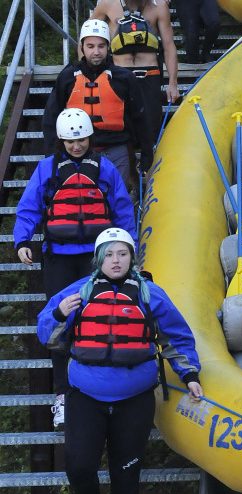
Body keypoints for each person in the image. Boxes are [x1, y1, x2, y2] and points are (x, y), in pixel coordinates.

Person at [36, 227, 204, 494]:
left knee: (125, 473)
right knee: (79, 465)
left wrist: (190, 374)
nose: (116, 260)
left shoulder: (150, 294)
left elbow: (177, 338)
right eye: (109, 254)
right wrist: (59, 314)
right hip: (86, 395)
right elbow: (49, 336)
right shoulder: (78, 292)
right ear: (99, 259)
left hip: (134, 400)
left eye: (122, 253)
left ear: (132, 258)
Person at [15, 108, 137, 429]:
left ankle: (100, 390)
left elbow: (123, 209)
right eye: (70, 140)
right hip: (58, 257)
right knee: (59, 323)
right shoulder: (48, 169)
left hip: (95, 260)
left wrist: (129, 247)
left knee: (97, 319)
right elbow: (29, 207)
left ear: (90, 138)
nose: (76, 146)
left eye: (81, 139)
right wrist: (22, 240)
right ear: (61, 141)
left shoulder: (105, 169)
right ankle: (62, 396)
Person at [43, 19, 153, 189]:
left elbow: (140, 117)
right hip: (77, 151)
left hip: (117, 150)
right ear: (82, 47)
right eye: (91, 46)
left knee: (116, 201)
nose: (96, 52)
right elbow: (51, 117)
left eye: (101, 46)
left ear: (108, 47)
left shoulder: (124, 78)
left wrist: (146, 151)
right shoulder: (67, 77)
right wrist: (52, 154)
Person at [90, 0, 180, 138]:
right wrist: (87, 72)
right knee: (121, 127)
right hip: (119, 74)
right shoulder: (107, 4)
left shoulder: (159, 6)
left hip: (149, 75)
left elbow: (169, 46)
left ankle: (149, 157)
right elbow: (86, 37)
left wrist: (173, 83)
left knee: (150, 129)